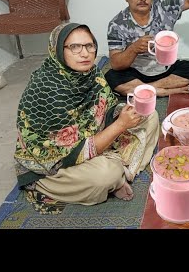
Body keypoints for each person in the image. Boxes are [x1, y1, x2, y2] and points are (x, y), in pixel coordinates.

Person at [14, 23, 160, 213]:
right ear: (58, 50)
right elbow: (70, 153)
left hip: (93, 142)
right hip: (56, 165)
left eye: (89, 46)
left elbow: (106, 109)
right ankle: (113, 176)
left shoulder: (91, 73)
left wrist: (122, 113)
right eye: (75, 47)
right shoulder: (46, 92)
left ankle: (122, 173)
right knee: (105, 175)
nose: (85, 54)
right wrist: (121, 125)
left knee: (149, 115)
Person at [105, 0, 189, 97]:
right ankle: (165, 91)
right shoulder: (116, 24)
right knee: (111, 77)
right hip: (136, 71)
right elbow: (115, 63)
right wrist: (134, 48)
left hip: (166, 68)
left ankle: (147, 90)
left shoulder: (163, 6)